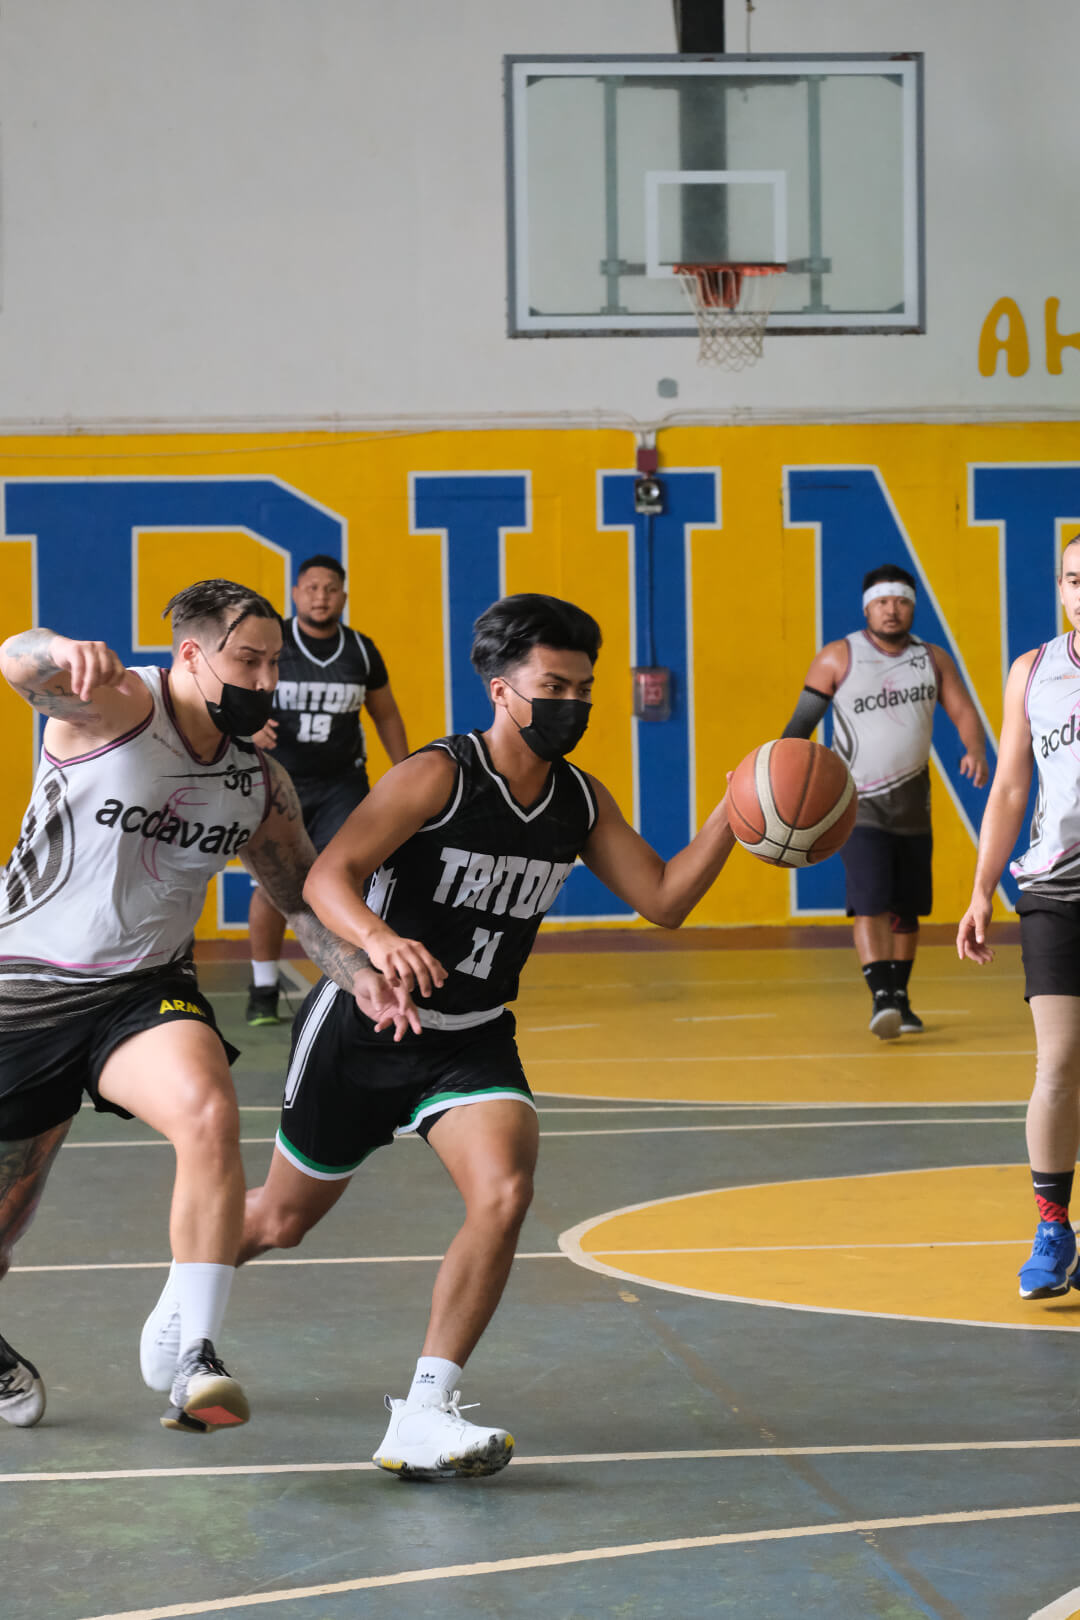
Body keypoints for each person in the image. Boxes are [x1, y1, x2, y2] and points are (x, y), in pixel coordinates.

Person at [224, 592, 738, 1481]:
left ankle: (424, 1411)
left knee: (504, 1190)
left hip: (469, 1038)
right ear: (502, 688)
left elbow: (664, 900)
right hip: (367, 1024)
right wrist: (379, 942)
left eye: (584, 687)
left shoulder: (579, 799)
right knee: (278, 1220)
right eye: (554, 685)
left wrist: (737, 812)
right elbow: (326, 881)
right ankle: (182, 1317)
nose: (572, 703)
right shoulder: (436, 775)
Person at [0, 580, 402, 1434]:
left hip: (141, 988)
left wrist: (359, 972)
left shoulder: (257, 780)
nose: (265, 676)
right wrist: (54, 647)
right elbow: (15, 663)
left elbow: (298, 900)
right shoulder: (110, 705)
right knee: (6, 1221)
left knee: (210, 1112)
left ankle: (196, 1354)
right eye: (246, 659)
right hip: (25, 989)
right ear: (192, 654)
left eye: (273, 662)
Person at [782, 563, 988, 1039]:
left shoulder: (931, 658)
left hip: (914, 801)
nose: (891, 610)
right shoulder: (838, 657)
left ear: (912, 606)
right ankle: (880, 996)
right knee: (870, 900)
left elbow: (962, 710)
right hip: (857, 801)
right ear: (867, 608)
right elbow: (799, 727)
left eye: (900, 601)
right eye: (882, 602)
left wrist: (974, 749)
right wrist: (775, 774)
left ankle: (901, 998)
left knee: (907, 908)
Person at [958, 533, 1080, 1299]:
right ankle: (1051, 1228)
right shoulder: (1033, 672)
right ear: (1062, 588)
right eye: (1074, 577)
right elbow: (1009, 787)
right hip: (1056, 890)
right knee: (1060, 1063)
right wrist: (980, 888)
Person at [246, 553, 409, 1026]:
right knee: (274, 886)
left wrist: (404, 772)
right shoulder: (272, 642)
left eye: (330, 588)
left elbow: (386, 713)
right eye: (311, 587)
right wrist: (249, 729)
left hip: (342, 783)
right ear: (296, 594)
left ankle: (356, 981)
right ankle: (262, 989)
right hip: (280, 782)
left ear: (343, 595)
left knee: (349, 879)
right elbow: (231, 691)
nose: (321, 596)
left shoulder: (360, 650)